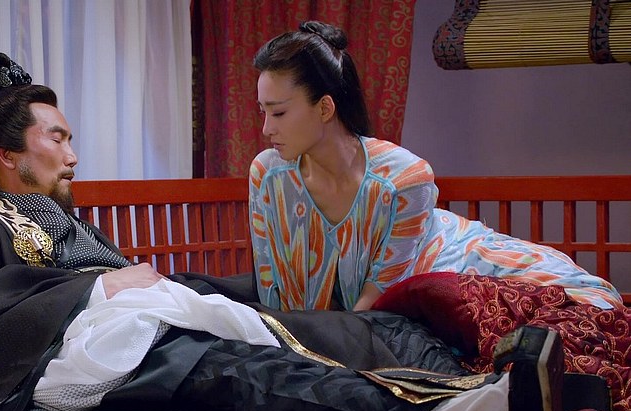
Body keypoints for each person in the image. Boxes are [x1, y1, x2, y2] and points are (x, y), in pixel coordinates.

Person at [0, 52, 563, 411]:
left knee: (274, 364)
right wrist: (97, 288)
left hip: (134, 336)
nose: (73, 155)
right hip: (84, 356)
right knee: (252, 383)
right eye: (56, 138)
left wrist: (133, 286)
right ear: (6, 154)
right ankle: (492, 406)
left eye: (71, 138)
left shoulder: (67, 224)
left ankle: (489, 393)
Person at [248, 21, 624, 313]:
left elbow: (375, 302)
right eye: (263, 111)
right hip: (385, 315)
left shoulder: (404, 178)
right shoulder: (268, 176)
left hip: (453, 267)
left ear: (325, 108)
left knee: (588, 306)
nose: (266, 129)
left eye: (278, 113)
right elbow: (273, 289)